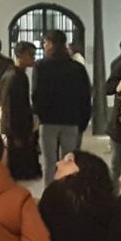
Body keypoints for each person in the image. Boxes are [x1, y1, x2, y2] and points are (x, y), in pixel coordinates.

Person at [32, 30, 92, 184]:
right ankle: (68, 193)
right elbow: (85, 95)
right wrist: (83, 121)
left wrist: (39, 114)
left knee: (49, 163)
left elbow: (36, 94)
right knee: (68, 162)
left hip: (49, 120)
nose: (44, 46)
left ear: (51, 43)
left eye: (45, 42)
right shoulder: (76, 68)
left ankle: (50, 196)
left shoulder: (41, 66)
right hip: (71, 119)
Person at [0, 42, 41, 181]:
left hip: (17, 126)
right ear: (22, 55)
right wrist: (16, 131)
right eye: (31, 55)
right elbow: (11, 106)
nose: (33, 58)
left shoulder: (14, 74)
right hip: (16, 127)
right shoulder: (15, 77)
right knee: (18, 168)